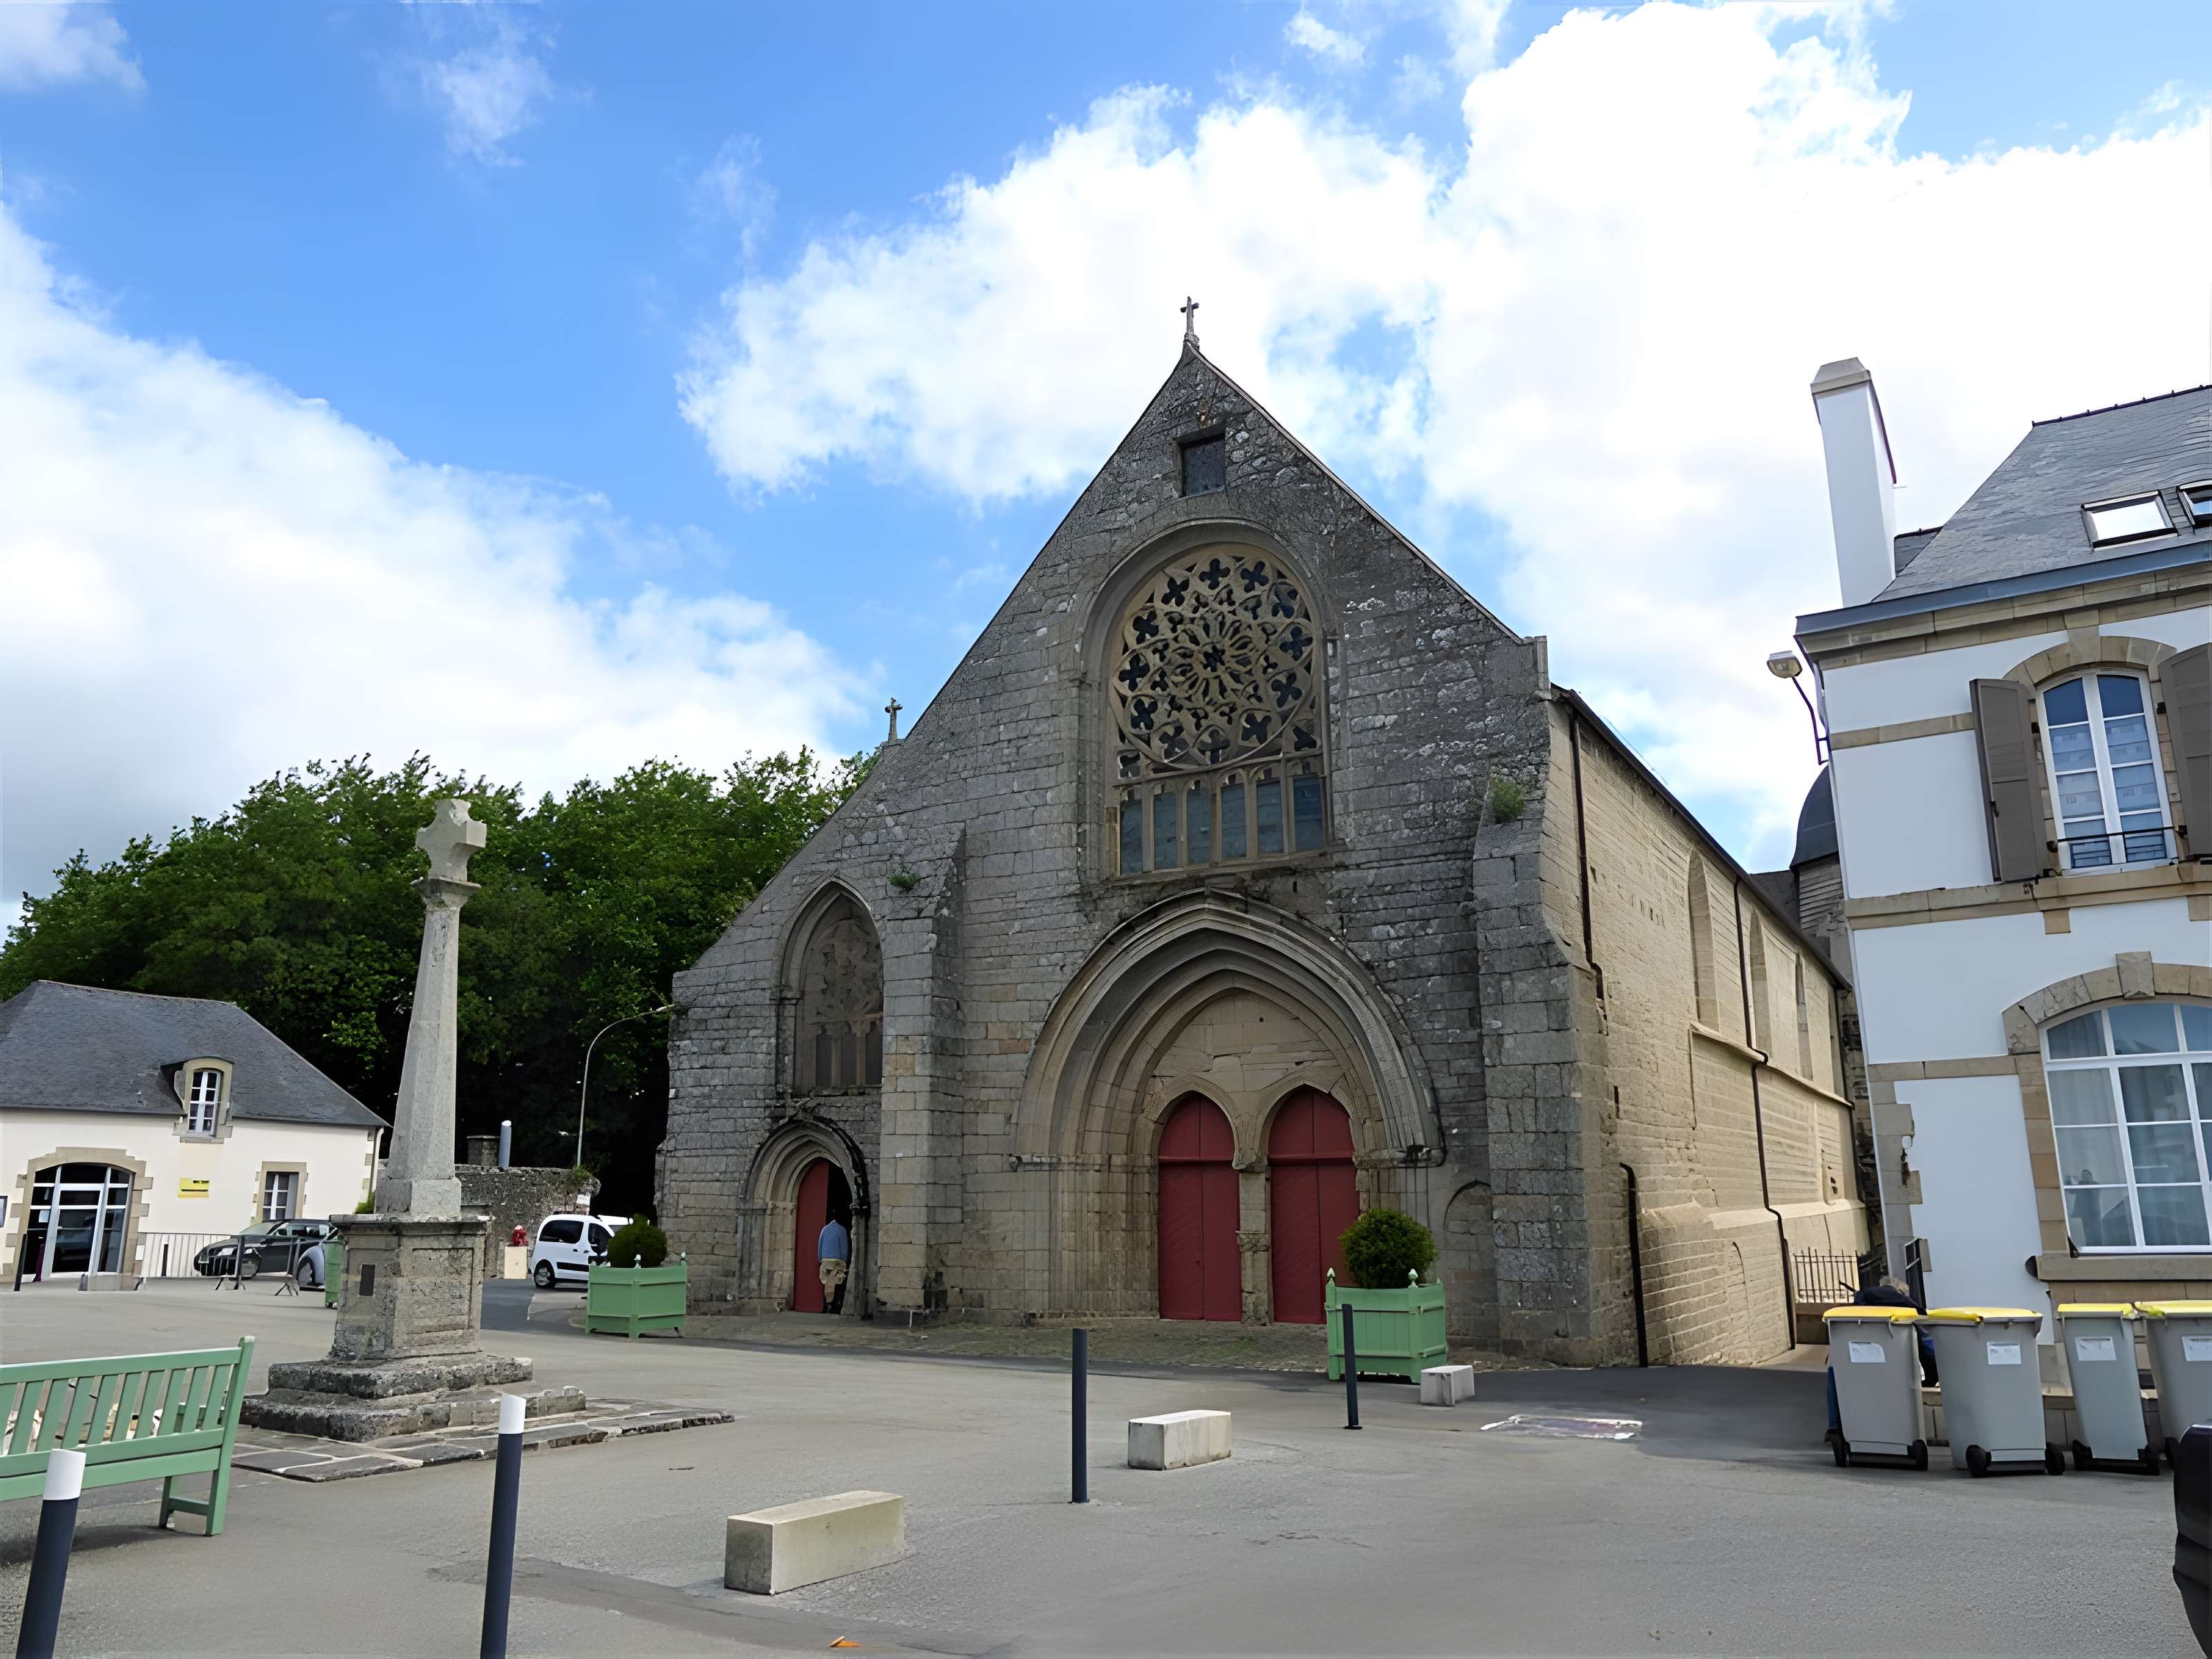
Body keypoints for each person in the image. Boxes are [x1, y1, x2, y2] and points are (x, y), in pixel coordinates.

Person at [1826, 1273, 1936, 1442]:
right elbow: (1927, 1348)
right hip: (1890, 1348)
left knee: (1835, 1373)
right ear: (1902, 1292)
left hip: (1854, 1338)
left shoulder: (1863, 1297)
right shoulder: (1906, 1306)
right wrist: (1930, 1378)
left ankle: (1835, 1426)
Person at [816, 1212, 850, 1315]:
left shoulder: (825, 1229)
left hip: (826, 1259)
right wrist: (845, 1259)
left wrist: (820, 1259)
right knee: (839, 1282)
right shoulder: (842, 1230)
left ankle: (829, 1304)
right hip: (838, 1259)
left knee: (828, 1283)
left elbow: (820, 1244)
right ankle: (835, 1305)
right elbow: (844, 1246)